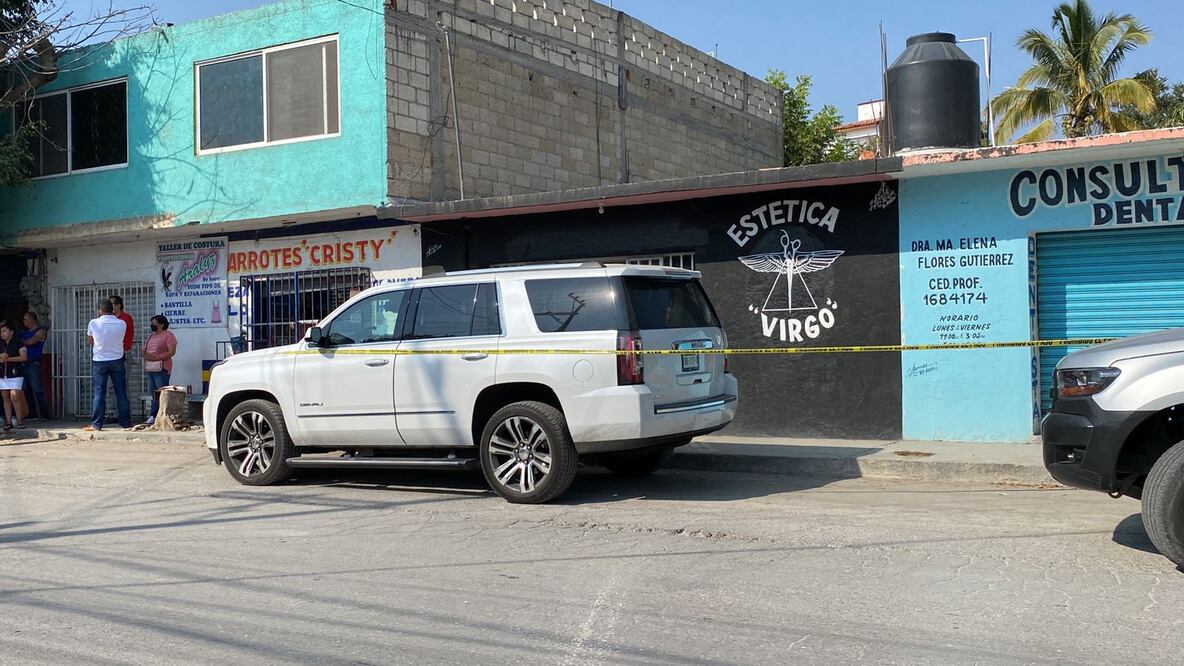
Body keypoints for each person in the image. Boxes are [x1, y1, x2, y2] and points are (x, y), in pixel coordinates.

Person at [86, 299, 130, 432]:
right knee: (121, 392)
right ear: (112, 309)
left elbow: (90, 341)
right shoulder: (122, 323)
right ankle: (125, 423)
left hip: (100, 360)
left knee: (99, 392)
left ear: (100, 310)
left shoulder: (94, 323)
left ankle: (96, 424)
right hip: (117, 359)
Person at [142, 315, 177, 425]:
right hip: (151, 368)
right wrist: (146, 355)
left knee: (161, 392)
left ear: (161, 324)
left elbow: (171, 352)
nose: (152, 325)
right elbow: (145, 350)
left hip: (162, 368)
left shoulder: (168, 335)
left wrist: (157, 357)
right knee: (153, 394)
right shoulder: (151, 336)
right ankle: (153, 415)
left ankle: (163, 415)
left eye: (155, 323)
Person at [20, 311, 49, 420]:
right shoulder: (24, 332)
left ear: (33, 319)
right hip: (24, 361)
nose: (24, 321)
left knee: (36, 387)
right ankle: (32, 412)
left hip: (34, 362)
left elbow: (31, 342)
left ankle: (43, 412)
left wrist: (24, 342)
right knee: (26, 388)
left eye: (26, 319)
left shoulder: (40, 331)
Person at [0, 321, 29, 430]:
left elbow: (24, 357)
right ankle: (8, 422)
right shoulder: (0, 344)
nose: (2, 333)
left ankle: (20, 420)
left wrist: (9, 359)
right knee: (5, 397)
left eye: (4, 331)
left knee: (15, 396)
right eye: (1, 331)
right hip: (2, 374)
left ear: (11, 332)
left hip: (15, 373)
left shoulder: (19, 343)